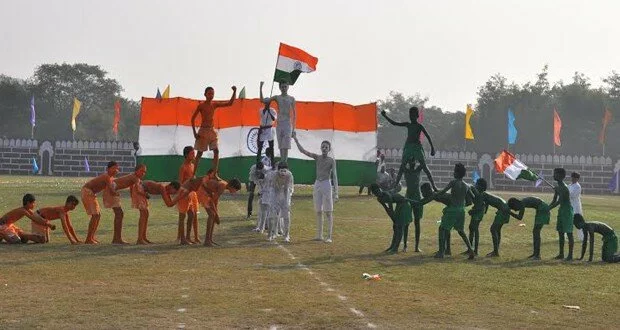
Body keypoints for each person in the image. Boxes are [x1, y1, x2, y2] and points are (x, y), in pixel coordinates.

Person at [414, 163, 475, 259]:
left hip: (452, 210)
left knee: (442, 229)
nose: (453, 172)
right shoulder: (466, 185)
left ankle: (441, 252)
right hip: (461, 210)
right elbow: (472, 198)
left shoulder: (453, 182)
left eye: (454, 171)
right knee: (461, 231)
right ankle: (471, 251)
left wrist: (436, 192)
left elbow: (442, 192)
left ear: (456, 173)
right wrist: (463, 203)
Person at [292, 133, 339, 243]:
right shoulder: (317, 157)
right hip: (317, 183)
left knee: (328, 211)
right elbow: (303, 151)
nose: (324, 148)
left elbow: (335, 176)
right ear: (320, 148)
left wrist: (336, 192)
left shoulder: (331, 161)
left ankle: (329, 236)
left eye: (326, 147)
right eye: (322, 147)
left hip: (327, 184)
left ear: (329, 149)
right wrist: (295, 139)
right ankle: (319, 235)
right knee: (318, 211)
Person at [381, 107, 438, 191]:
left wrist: (432, 148)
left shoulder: (419, 126)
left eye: (413, 115)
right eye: (410, 115)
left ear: (417, 116)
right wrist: (385, 116)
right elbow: (394, 123)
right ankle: (395, 186)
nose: (411, 116)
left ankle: (434, 186)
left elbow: (427, 136)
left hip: (417, 147)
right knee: (402, 166)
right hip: (408, 147)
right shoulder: (408, 124)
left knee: (424, 166)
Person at [191, 85, 237, 173]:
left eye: (212, 94)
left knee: (216, 151)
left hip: (211, 130)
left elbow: (230, 103)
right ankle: (193, 174)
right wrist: (194, 133)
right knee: (199, 153)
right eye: (209, 94)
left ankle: (214, 174)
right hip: (203, 131)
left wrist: (234, 91)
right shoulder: (201, 105)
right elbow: (192, 119)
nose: (211, 95)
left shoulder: (214, 104)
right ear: (205, 94)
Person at [107, 164, 147, 244]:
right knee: (119, 214)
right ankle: (117, 239)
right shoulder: (135, 177)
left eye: (144, 172)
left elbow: (132, 188)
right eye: (141, 171)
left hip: (112, 189)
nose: (143, 173)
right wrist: (146, 195)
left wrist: (132, 198)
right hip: (111, 190)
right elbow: (138, 190)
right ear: (136, 171)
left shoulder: (134, 177)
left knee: (119, 214)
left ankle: (116, 238)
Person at [130, 180, 180, 244]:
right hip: (139, 189)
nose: (173, 194)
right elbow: (169, 204)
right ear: (171, 187)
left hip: (142, 190)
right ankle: (140, 239)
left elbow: (169, 204)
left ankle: (143, 237)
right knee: (143, 214)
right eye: (174, 192)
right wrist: (179, 198)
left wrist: (177, 199)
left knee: (146, 214)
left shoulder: (166, 191)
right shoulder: (162, 188)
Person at [198, 177, 242, 246]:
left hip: (206, 193)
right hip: (202, 192)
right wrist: (216, 215)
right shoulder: (223, 186)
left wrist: (216, 212)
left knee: (213, 215)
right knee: (212, 215)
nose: (235, 192)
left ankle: (209, 239)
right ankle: (207, 241)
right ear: (232, 186)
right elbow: (212, 200)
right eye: (235, 190)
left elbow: (215, 200)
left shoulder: (224, 185)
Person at [82, 161, 119, 244]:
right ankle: (88, 239)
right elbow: (111, 191)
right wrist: (117, 193)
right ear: (108, 169)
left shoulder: (110, 178)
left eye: (117, 169)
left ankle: (91, 237)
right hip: (87, 192)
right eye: (114, 168)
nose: (116, 170)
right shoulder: (107, 177)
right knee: (95, 215)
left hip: (91, 193)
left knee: (97, 215)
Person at [370, 183, 413, 254]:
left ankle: (395, 248)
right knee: (395, 227)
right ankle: (392, 246)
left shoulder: (386, 195)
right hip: (399, 205)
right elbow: (387, 209)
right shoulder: (379, 199)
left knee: (399, 226)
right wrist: (394, 220)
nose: (378, 194)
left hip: (404, 205)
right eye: (375, 193)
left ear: (380, 189)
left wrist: (395, 220)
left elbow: (391, 209)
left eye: (378, 191)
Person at [260, 81, 295, 162]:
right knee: (281, 145)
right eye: (282, 87)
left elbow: (294, 115)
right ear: (279, 87)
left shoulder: (291, 98)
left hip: (287, 123)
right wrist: (261, 87)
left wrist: (294, 129)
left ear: (288, 87)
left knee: (286, 145)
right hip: (279, 123)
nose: (284, 88)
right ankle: (282, 163)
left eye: (285, 86)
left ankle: (284, 163)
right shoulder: (277, 97)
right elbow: (263, 100)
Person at [480, 188, 519, 257]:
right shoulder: (485, 194)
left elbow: (483, 202)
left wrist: (483, 212)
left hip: (503, 210)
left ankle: (495, 252)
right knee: (497, 230)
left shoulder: (482, 194)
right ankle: (496, 251)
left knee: (493, 229)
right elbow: (487, 202)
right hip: (504, 208)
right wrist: (485, 211)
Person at [549, 167, 575, 261]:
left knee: (569, 233)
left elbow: (559, 201)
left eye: (555, 174)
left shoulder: (564, 188)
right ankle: (561, 254)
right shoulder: (558, 186)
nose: (553, 175)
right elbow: (554, 200)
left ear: (561, 176)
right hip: (561, 211)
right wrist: (547, 206)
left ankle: (570, 255)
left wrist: (549, 208)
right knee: (560, 232)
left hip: (567, 212)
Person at [177, 146, 200, 245]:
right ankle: (182, 238)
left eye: (194, 153)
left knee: (192, 215)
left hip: (192, 194)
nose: (193, 155)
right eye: (191, 153)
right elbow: (181, 182)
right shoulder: (183, 167)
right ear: (186, 155)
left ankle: (187, 237)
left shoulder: (192, 166)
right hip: (184, 193)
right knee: (182, 217)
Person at [266, 162, 294, 242]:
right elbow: (275, 187)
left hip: (284, 191)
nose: (283, 173)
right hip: (274, 191)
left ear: (287, 170)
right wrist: (276, 205)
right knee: (272, 214)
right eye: (281, 171)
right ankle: (270, 234)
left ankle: (286, 235)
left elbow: (285, 189)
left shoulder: (289, 175)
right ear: (278, 170)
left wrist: (286, 204)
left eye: (285, 171)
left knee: (286, 215)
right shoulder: (273, 175)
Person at [404, 158, 425, 252]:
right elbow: (403, 163)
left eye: (414, 161)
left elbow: (423, 163)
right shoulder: (406, 170)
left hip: (417, 197)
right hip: (408, 196)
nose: (412, 162)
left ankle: (416, 247)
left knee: (417, 222)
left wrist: (417, 156)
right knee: (406, 222)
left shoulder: (418, 170)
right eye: (410, 161)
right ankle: (405, 245)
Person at [467, 179, 488, 256]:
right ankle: (469, 248)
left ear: (481, 186)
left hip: (477, 213)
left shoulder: (481, 194)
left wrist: (472, 211)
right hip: (476, 212)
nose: (475, 185)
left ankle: (475, 250)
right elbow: (485, 204)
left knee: (475, 229)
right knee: (471, 228)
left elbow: (480, 207)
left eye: (477, 184)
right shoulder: (479, 193)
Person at [256, 94, 277, 164]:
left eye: (268, 102)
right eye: (266, 103)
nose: (267, 104)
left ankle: (273, 162)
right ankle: (258, 162)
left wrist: (269, 111)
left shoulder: (273, 110)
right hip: (262, 129)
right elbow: (262, 115)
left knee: (271, 146)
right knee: (260, 147)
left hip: (269, 129)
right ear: (264, 103)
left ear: (270, 103)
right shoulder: (261, 110)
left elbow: (274, 119)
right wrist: (266, 110)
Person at [569, 172, 584, 241]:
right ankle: (567, 236)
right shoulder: (569, 185)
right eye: (572, 177)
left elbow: (572, 195)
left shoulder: (578, 186)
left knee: (578, 222)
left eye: (575, 177)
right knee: (568, 221)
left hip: (576, 206)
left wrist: (565, 193)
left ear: (578, 179)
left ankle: (582, 237)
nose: (573, 178)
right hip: (569, 205)